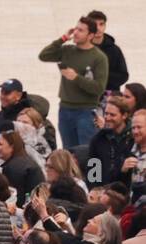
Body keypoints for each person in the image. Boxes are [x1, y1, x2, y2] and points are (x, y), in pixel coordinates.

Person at [39, 17, 109, 150]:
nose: (76, 33)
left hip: (86, 111)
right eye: (76, 29)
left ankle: (93, 172)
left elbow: (99, 88)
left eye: (81, 30)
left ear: (91, 35)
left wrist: (76, 78)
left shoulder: (99, 58)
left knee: (87, 151)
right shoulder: (68, 50)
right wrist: (63, 38)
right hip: (65, 109)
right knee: (69, 152)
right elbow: (43, 55)